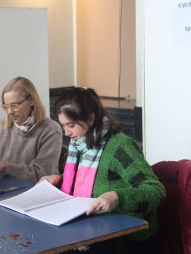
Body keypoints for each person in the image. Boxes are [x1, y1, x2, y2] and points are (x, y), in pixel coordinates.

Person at [41, 87, 165, 254]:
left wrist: (117, 197)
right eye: (63, 126)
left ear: (91, 118)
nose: (67, 132)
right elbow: (93, 181)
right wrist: (60, 179)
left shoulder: (119, 146)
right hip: (97, 231)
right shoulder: (79, 145)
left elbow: (155, 191)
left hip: (129, 240)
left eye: (70, 125)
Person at [0, 76, 63, 183]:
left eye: (14, 105)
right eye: (6, 106)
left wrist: (6, 167)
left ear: (31, 101)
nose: (9, 111)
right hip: (4, 190)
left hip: (33, 194)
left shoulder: (50, 130)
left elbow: (42, 175)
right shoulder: (0, 125)